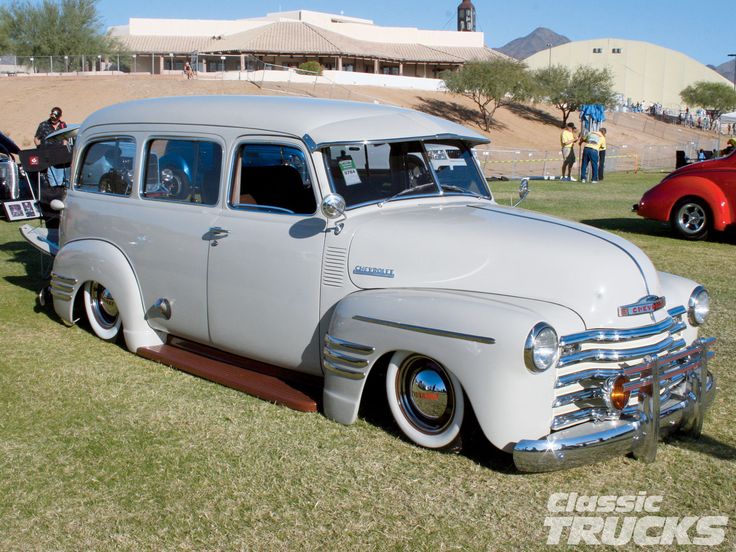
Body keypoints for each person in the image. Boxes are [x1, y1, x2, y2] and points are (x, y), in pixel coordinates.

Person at [34, 106, 68, 186]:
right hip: (48, 155)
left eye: (55, 118)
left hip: (59, 155)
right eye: (52, 118)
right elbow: (36, 139)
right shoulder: (43, 125)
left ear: (60, 117)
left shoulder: (63, 125)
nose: (53, 120)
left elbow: (65, 138)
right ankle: (53, 190)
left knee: (60, 177)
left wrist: (64, 148)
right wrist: (40, 149)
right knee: (51, 177)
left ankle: (59, 190)